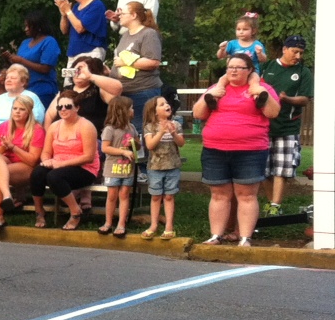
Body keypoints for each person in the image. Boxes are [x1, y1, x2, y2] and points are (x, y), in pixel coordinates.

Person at [193, 54, 280, 247]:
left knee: (247, 195)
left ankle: (245, 238)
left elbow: (273, 112)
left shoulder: (262, 89)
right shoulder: (217, 89)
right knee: (218, 194)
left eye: (239, 67)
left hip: (250, 150)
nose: (233, 70)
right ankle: (216, 235)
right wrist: (213, 93)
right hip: (215, 149)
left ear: (249, 70)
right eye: (230, 67)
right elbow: (198, 114)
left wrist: (258, 90)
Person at [258, 35, 313, 216]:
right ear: (284, 49)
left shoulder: (303, 72)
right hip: (264, 126)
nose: (298, 56)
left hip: (288, 127)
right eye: (295, 51)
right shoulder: (268, 67)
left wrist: (286, 99)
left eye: (301, 52)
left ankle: (276, 205)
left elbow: (305, 99)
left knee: (281, 169)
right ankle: (269, 202)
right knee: (264, 169)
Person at [30, 94, 100, 230]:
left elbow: (89, 157)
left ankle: (75, 212)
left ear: (77, 108)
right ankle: (39, 211)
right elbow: (45, 152)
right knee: (37, 173)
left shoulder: (86, 126)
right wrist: (46, 161)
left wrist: (59, 164)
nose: (63, 109)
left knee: (54, 176)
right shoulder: (54, 126)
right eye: (59, 107)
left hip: (84, 168)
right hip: (58, 165)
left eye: (68, 106)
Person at [0, 95, 45, 233]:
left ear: (28, 112)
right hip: (6, 165)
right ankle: (7, 196)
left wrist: (12, 147)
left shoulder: (36, 129)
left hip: (27, 167)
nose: (17, 112)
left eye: (21, 109)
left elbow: (33, 160)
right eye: (15, 108)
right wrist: (4, 146)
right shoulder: (4, 126)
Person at [111, 1, 164, 124]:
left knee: (141, 130)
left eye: (123, 13)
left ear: (134, 15)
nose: (119, 16)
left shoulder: (148, 34)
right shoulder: (125, 35)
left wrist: (125, 62)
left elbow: (153, 62)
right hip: (124, 92)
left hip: (142, 91)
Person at [141, 95, 184, 239]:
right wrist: (161, 132)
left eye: (166, 103)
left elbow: (181, 143)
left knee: (169, 196)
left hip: (173, 166)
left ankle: (169, 227)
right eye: (161, 104)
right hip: (155, 167)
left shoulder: (176, 124)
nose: (167, 105)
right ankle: (153, 225)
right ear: (154, 112)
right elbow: (150, 145)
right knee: (155, 197)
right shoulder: (149, 127)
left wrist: (172, 132)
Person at [55, 0, 108, 86]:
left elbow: (80, 28)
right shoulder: (75, 7)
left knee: (86, 86)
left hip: (90, 52)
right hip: (73, 54)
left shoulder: (96, 5)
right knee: (69, 87)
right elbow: (64, 30)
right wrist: (64, 14)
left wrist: (68, 11)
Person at [97, 96, 139, 237]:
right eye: (131, 108)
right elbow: (105, 148)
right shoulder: (110, 129)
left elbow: (138, 145)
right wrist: (122, 151)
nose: (133, 110)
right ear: (122, 111)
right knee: (112, 195)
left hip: (127, 169)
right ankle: (108, 222)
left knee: (124, 194)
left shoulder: (132, 128)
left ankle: (121, 223)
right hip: (112, 168)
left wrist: (135, 144)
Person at [2, 10, 61, 106]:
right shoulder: (25, 42)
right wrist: (9, 59)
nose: (25, 29)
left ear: (38, 27)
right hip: (23, 89)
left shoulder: (49, 41)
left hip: (42, 90)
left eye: (28, 26)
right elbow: (20, 67)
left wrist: (21, 60)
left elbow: (45, 68)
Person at [45, 56, 121, 130]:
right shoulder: (65, 90)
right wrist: (49, 136)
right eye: (75, 70)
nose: (78, 73)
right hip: (63, 135)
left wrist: (89, 76)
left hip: (90, 136)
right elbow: (49, 115)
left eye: (81, 71)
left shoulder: (98, 90)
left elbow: (118, 89)